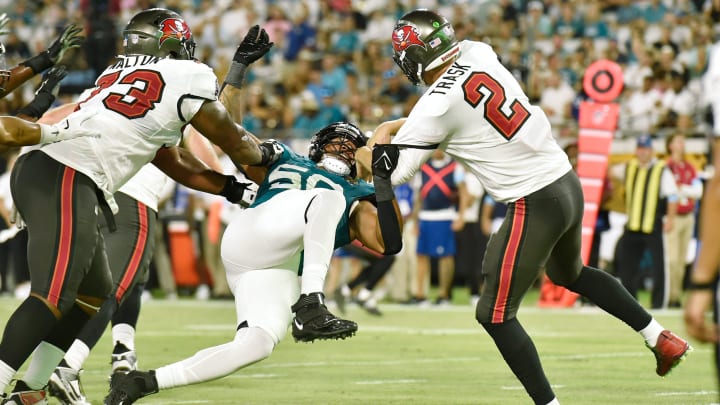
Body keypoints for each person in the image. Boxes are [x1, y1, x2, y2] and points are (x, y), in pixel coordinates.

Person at [357, 9, 691, 404]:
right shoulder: (477, 52)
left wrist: (373, 141)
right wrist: (401, 127)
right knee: (573, 273)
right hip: (566, 183)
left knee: (493, 314)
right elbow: (451, 109)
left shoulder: (433, 108)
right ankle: (660, 337)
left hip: (535, 202)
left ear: (413, 56)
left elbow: (393, 173)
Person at [0, 8, 282, 404]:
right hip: (66, 171)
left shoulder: (116, 72)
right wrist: (269, 159)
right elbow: (233, 141)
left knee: (93, 294)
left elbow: (168, 156)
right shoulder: (191, 75)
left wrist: (230, 189)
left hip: (67, 174)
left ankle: (31, 391)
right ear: (171, 43)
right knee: (54, 295)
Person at [105, 121, 403, 404]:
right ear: (317, 147)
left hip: (276, 271)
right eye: (337, 143)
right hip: (251, 234)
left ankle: (141, 382)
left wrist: (383, 180)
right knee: (329, 199)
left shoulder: (358, 194)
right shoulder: (289, 159)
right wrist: (237, 73)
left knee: (255, 344)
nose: (343, 150)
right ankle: (311, 304)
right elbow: (234, 138)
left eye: (351, 147)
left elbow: (390, 243)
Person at [612, 134, 678, 309]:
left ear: (651, 151)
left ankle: (658, 304)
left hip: (653, 225)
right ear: (636, 150)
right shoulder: (629, 167)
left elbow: (672, 196)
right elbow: (610, 170)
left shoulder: (661, 169)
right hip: (633, 225)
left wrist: (670, 219)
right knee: (626, 266)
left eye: (646, 149)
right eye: (640, 149)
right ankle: (630, 302)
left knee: (659, 267)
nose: (642, 152)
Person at [664, 132, 702, 308]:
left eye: (682, 141)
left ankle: (676, 296)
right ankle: (670, 295)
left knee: (681, 260)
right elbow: (670, 191)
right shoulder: (667, 167)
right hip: (674, 217)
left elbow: (697, 191)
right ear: (670, 145)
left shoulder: (689, 167)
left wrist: (683, 189)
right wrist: (686, 190)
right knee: (671, 259)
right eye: (678, 141)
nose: (681, 144)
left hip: (688, 216)